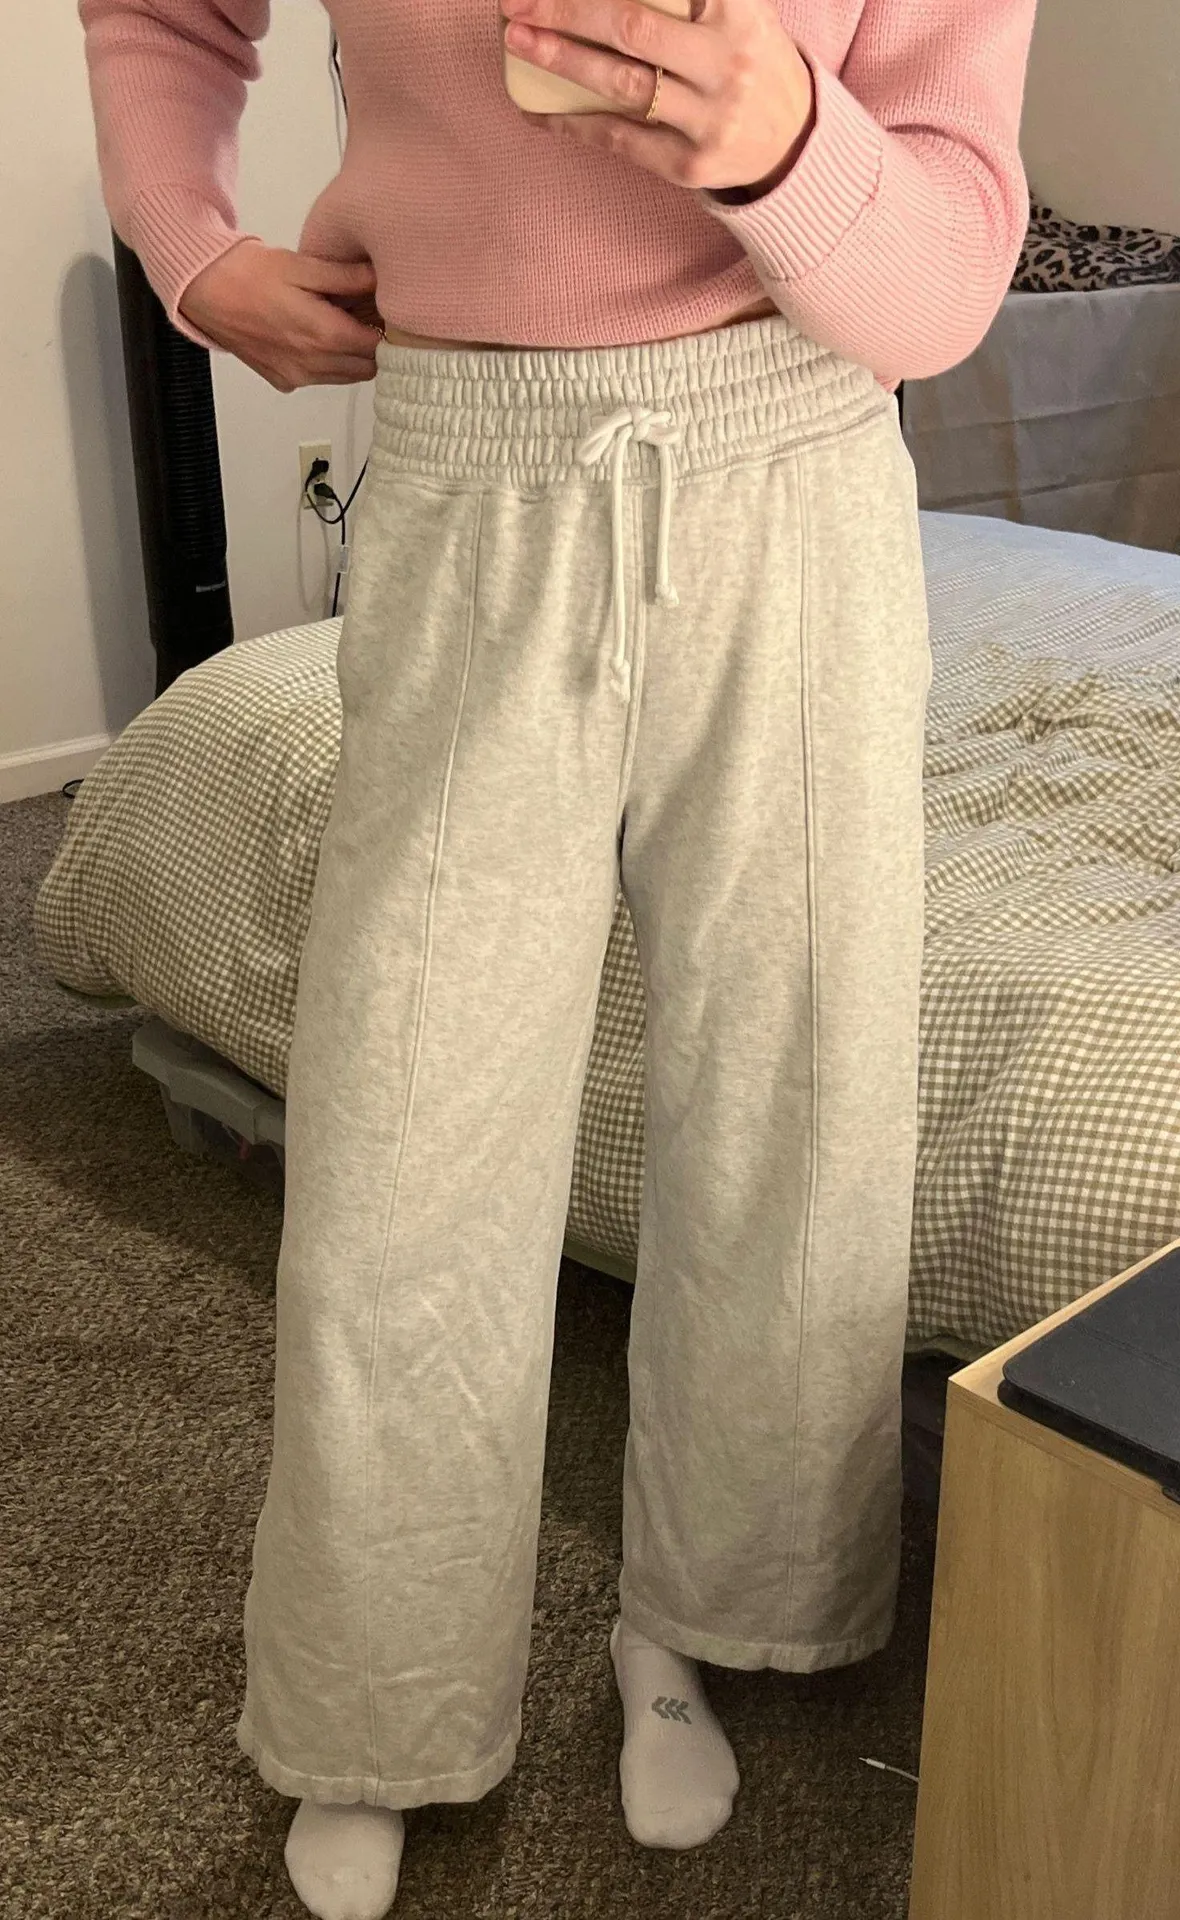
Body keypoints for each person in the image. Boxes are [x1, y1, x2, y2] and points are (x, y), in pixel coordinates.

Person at [77, 0, 1036, 1913]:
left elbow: (944, 279)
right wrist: (192, 252)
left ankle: (709, 1614)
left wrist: (788, 142)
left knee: (796, 1098)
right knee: (406, 1129)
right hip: (467, 464)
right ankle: (376, 1700)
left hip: (798, 464)